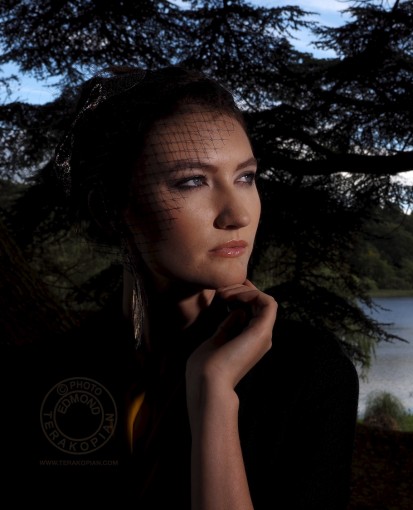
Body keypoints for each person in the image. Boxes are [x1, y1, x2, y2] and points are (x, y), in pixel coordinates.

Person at [3, 66, 359, 509]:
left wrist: (214, 395)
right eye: (192, 181)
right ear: (111, 211)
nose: (237, 215)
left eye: (246, 177)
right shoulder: (31, 382)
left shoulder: (309, 372)